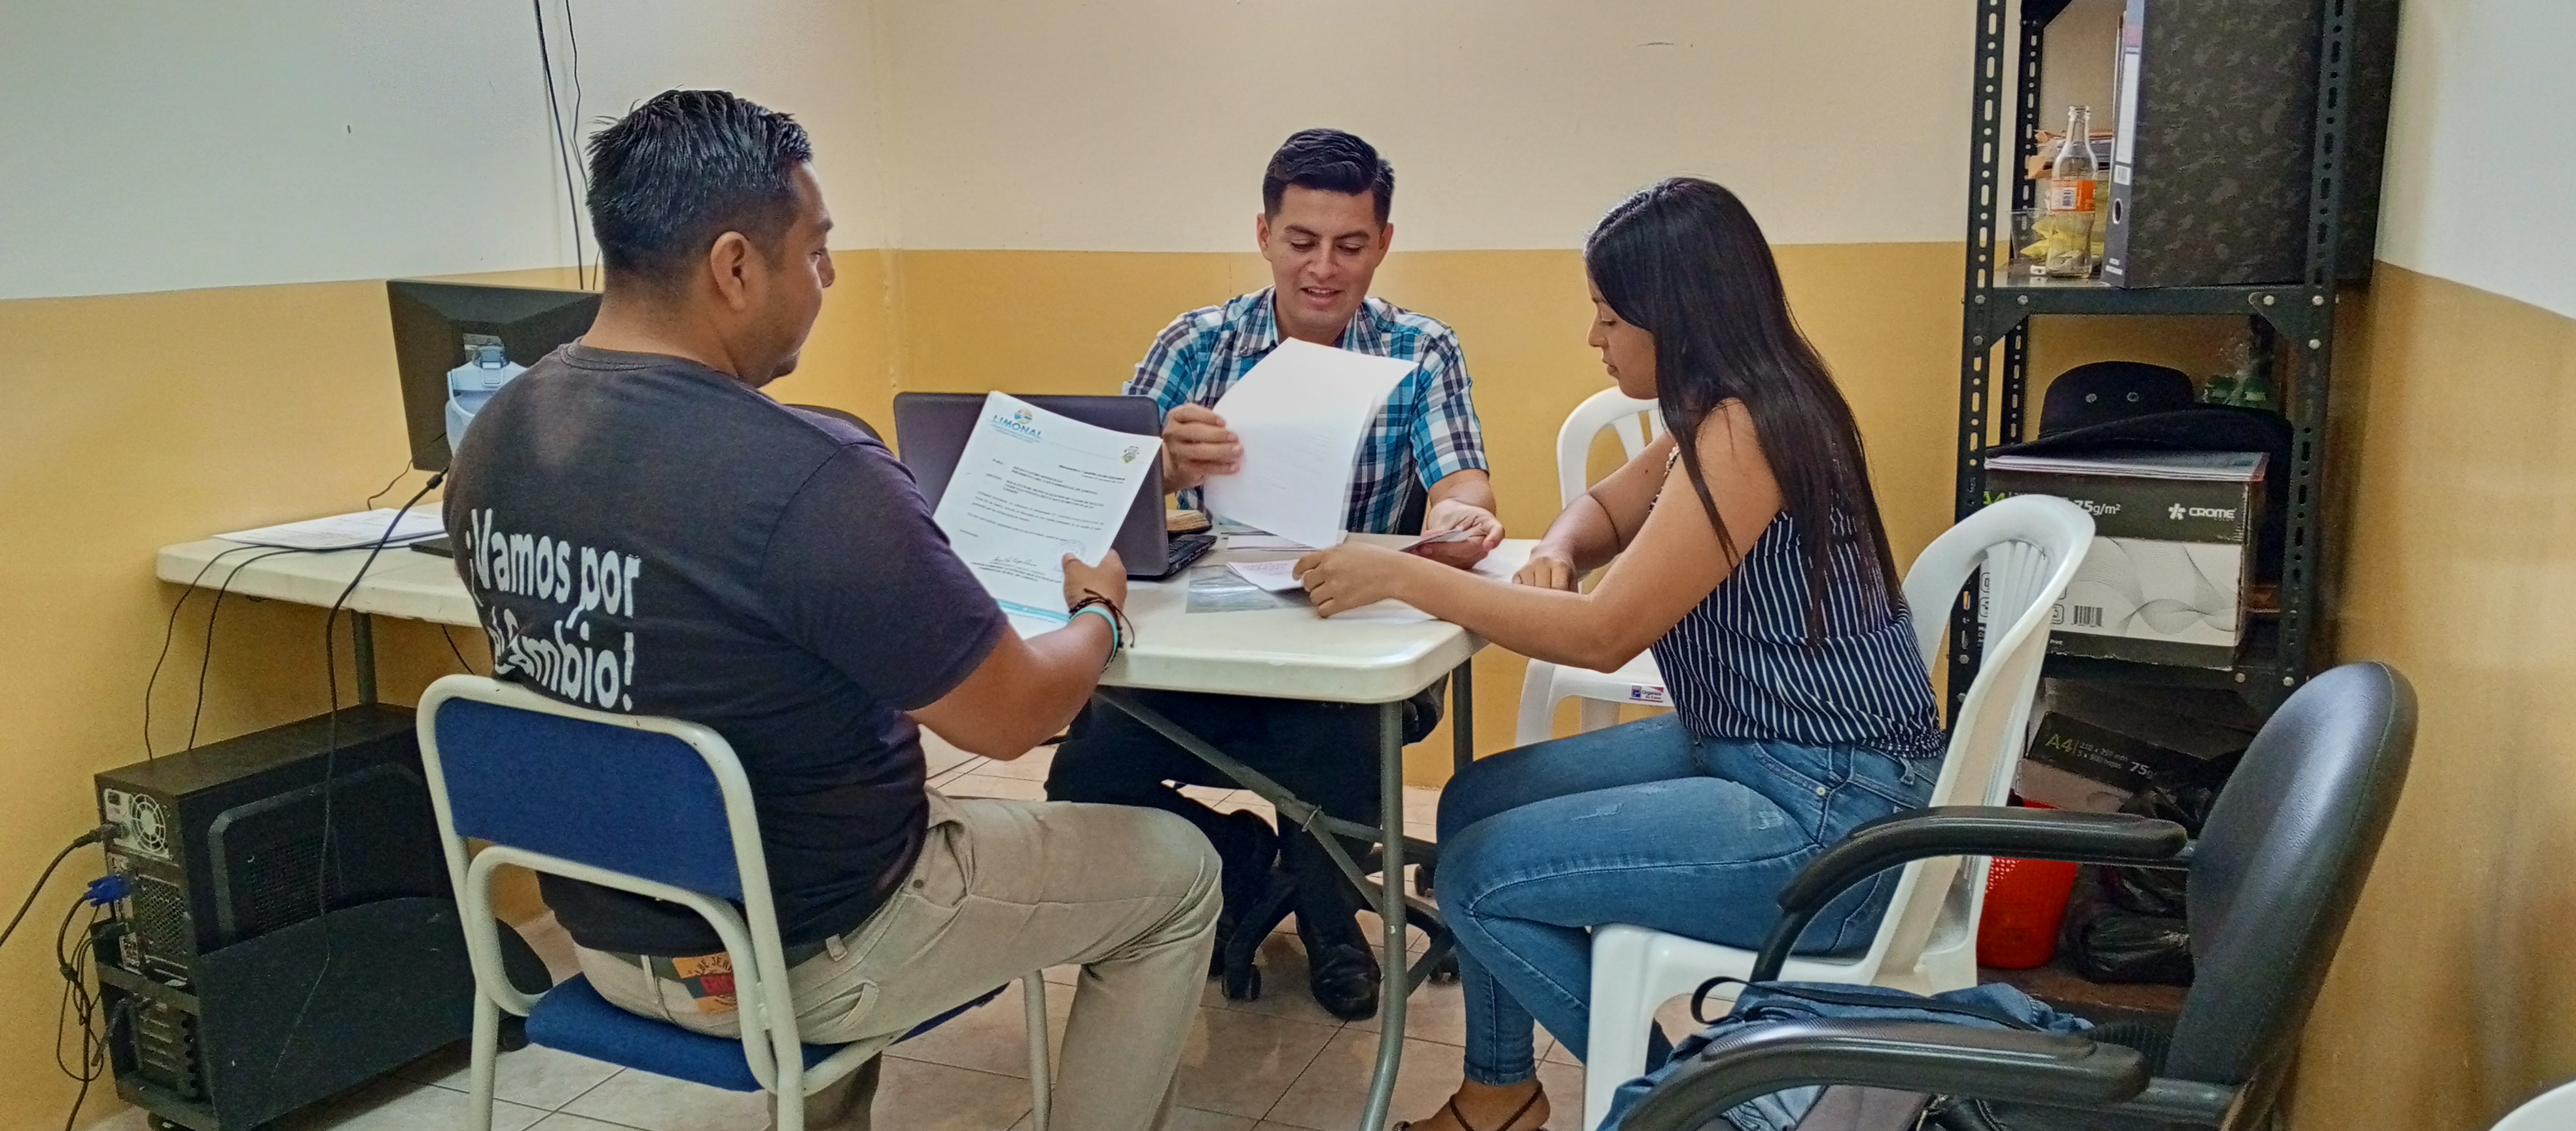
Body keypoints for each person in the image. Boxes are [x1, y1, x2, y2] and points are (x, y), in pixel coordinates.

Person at [442, 89, 1220, 1131]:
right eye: (816, 251)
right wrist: (1102, 616)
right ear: (734, 267)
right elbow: (1013, 718)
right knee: (1180, 871)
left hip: (608, 937)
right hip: (809, 953)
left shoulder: (494, 436)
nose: (830, 276)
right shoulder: (810, 472)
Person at [1292, 179, 1946, 1131]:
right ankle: (1501, 1094)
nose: (1594, 338)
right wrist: (1560, 551)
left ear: (1673, 319)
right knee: (1474, 803)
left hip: (1834, 818)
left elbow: (1604, 637)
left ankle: (1702, 1111)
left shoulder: (1746, 430)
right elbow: (1602, 508)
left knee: (1481, 875)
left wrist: (1401, 575)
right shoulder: (1721, 409)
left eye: (1608, 316)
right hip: (1766, 752)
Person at [1044, 128, 1503, 1020]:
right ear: (1264, 235)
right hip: (1204, 644)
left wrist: (1458, 515)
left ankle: (1334, 923)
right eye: (1301, 242)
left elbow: (1461, 478)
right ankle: (1238, 862)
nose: (1323, 269)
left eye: (1350, 245)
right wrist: (1163, 467)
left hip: (1344, 641)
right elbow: (1096, 497)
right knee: (1085, 776)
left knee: (1335, 754)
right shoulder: (1198, 342)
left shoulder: (1420, 348)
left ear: (1384, 243)